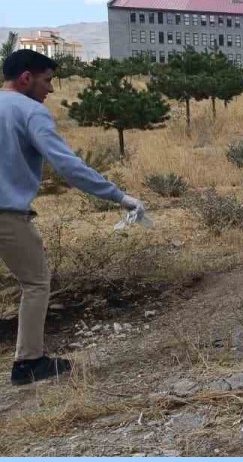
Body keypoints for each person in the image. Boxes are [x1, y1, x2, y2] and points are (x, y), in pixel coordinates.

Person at [1, 50, 146, 385]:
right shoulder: (30, 112)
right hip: (6, 214)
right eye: (47, 80)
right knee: (36, 282)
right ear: (26, 77)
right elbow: (67, 166)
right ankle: (29, 363)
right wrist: (118, 196)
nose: (50, 89)